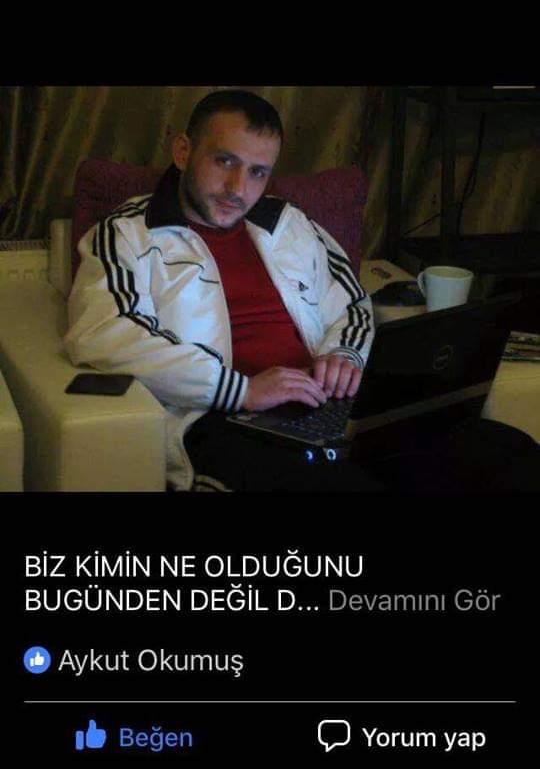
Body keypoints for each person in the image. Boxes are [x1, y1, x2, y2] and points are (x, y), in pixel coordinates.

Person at [64, 90, 539, 492]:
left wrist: (345, 355)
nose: (238, 188)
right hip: (225, 420)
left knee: (506, 453)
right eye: (224, 161)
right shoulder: (129, 233)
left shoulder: (286, 222)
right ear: (184, 151)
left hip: (326, 407)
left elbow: (352, 303)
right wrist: (241, 390)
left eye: (258, 172)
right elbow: (104, 333)